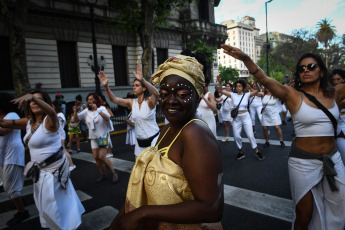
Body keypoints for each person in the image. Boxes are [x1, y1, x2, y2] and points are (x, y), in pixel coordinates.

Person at [221, 43, 345, 229]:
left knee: (338, 207)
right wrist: (246, 58)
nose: (306, 70)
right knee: (304, 214)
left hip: (333, 159)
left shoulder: (335, 93)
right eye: (301, 68)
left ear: (321, 71)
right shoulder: (292, 94)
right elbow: (263, 77)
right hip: (303, 163)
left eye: (311, 66)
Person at [109, 54, 223, 229]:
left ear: (198, 97)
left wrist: (142, 213)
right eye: (164, 94)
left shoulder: (194, 133)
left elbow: (211, 208)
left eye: (182, 94)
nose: (171, 101)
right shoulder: (168, 129)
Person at [0, 90, 85, 229]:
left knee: (52, 206)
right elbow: (4, 123)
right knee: (46, 207)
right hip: (40, 172)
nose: (34, 102)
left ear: (45, 103)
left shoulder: (50, 120)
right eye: (32, 101)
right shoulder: (29, 122)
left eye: (38, 100)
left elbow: (52, 112)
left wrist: (32, 96)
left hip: (53, 172)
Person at [98, 63, 160, 158]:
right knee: (139, 170)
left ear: (144, 88)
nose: (133, 87)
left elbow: (156, 93)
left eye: (137, 85)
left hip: (153, 141)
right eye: (133, 85)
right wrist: (106, 86)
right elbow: (114, 99)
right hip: (139, 143)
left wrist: (142, 79)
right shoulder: (131, 102)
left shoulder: (149, 102)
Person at [73, 93, 118, 184]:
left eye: (92, 99)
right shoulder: (86, 112)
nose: (89, 101)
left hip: (102, 136)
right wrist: (75, 111)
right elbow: (75, 120)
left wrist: (97, 110)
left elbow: (107, 118)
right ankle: (103, 175)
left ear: (96, 100)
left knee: (102, 157)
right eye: (88, 99)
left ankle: (114, 173)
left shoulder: (102, 108)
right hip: (93, 138)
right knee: (96, 158)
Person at [0, 93, 30, 226]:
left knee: (10, 187)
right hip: (4, 155)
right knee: (8, 185)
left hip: (12, 155)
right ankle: (19, 202)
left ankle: (22, 212)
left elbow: (4, 130)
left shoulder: (11, 115)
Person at [217, 76, 265, 160]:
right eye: (237, 86)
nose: (238, 87)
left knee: (250, 135)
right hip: (236, 118)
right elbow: (221, 90)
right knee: (236, 136)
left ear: (242, 87)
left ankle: (256, 151)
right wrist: (220, 82)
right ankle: (241, 152)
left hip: (246, 117)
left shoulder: (247, 95)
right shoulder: (232, 95)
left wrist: (256, 84)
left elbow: (258, 91)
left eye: (240, 86)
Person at [52, 101, 76, 171]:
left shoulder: (60, 114)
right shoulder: (56, 114)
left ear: (56, 107)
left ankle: (71, 165)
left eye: (52, 106)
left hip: (60, 134)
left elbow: (61, 122)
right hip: (57, 134)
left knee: (63, 150)